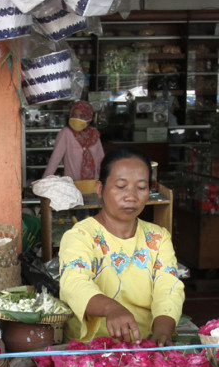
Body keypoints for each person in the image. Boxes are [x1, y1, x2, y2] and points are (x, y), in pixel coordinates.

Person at [58, 147, 184, 346]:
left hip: (145, 346)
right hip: (89, 351)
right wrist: (110, 308)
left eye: (141, 188)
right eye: (120, 186)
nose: (131, 196)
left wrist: (162, 330)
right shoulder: (81, 235)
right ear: (100, 189)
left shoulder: (158, 237)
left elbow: (168, 288)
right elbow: (74, 283)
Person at [42, 100, 105, 180]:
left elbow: (101, 161)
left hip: (93, 184)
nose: (77, 119)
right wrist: (44, 181)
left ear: (89, 117)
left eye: (82, 116)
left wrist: (104, 182)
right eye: (74, 115)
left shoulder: (94, 135)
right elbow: (55, 159)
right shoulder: (66, 133)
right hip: (73, 185)